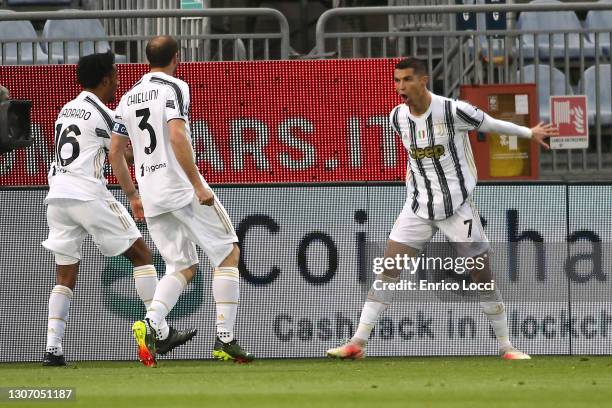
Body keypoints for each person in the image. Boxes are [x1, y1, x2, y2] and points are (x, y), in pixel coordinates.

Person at [327, 57, 558, 360]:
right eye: (397, 81)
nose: (400, 87)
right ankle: (358, 342)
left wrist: (530, 133)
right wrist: (412, 191)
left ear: (423, 81)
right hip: (418, 207)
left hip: (457, 208)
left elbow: (490, 123)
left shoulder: (453, 110)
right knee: (388, 268)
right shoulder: (397, 117)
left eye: (406, 80)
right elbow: (412, 160)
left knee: (482, 276)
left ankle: (507, 346)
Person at [42, 52, 196, 367]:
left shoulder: (66, 110)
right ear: (104, 79)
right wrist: (145, 167)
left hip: (56, 196)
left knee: (65, 273)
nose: (117, 79)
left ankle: (52, 349)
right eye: (114, 74)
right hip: (87, 195)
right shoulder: (103, 113)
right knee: (142, 255)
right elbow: (122, 153)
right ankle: (160, 331)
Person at [110, 36, 253, 367]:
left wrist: (132, 195)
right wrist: (196, 185)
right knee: (228, 253)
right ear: (177, 57)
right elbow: (176, 135)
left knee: (181, 266)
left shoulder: (128, 98)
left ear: (146, 59)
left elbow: (116, 152)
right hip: (180, 187)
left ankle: (152, 324)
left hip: (151, 192)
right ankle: (225, 339)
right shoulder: (174, 87)